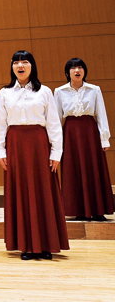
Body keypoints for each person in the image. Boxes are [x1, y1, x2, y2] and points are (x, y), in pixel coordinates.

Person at [0, 50, 69, 260]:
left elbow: (54, 123)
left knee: (43, 191)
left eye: (25, 61)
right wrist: (1, 150)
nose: (20, 65)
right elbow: (0, 123)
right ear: (12, 67)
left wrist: (56, 152)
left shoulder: (45, 91)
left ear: (32, 66)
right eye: (16, 62)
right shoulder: (5, 93)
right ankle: (26, 245)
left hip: (39, 143)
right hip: (16, 143)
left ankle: (46, 244)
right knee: (21, 191)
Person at [54, 58, 113, 221]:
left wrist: (104, 139)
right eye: (73, 68)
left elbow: (101, 114)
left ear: (84, 71)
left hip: (90, 132)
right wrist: (56, 143)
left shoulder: (94, 89)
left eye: (80, 67)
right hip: (70, 134)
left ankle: (98, 210)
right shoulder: (59, 91)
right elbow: (56, 119)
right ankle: (79, 210)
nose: (77, 70)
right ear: (68, 72)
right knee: (74, 169)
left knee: (93, 168)